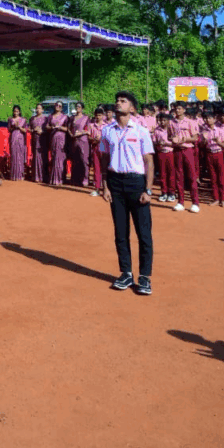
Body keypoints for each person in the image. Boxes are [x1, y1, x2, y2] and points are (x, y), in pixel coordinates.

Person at [99, 91, 154, 295]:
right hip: (115, 183)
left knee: (143, 233)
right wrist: (105, 186)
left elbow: (149, 161)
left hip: (136, 183)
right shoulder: (107, 131)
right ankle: (126, 273)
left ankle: (144, 276)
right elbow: (104, 159)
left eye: (123, 101)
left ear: (132, 108)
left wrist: (148, 189)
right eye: (117, 100)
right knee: (120, 232)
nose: (118, 103)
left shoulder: (141, 131)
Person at [169, 101, 200, 213]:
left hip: (188, 150)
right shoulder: (171, 122)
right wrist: (172, 139)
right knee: (178, 177)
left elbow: (195, 137)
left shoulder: (190, 122)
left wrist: (185, 139)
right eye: (176, 109)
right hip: (177, 151)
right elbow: (169, 136)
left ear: (184, 109)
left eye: (180, 108)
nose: (177, 111)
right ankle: (180, 202)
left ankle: (195, 203)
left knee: (191, 176)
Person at [199, 104, 224, 207]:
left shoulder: (219, 130)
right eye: (205, 118)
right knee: (213, 176)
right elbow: (201, 145)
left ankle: (223, 198)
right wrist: (204, 140)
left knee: (221, 176)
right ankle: (216, 198)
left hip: (219, 153)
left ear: (214, 119)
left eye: (210, 118)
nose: (207, 120)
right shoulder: (204, 131)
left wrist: (218, 142)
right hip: (209, 154)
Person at [152, 111, 176, 204]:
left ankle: (171, 192)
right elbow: (154, 141)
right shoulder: (157, 130)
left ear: (168, 121)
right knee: (162, 174)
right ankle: (164, 192)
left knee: (171, 173)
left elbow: (175, 142)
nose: (162, 122)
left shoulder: (172, 130)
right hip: (161, 153)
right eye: (161, 120)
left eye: (164, 120)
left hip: (170, 153)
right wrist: (158, 143)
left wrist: (166, 143)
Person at [47, 101, 69, 186]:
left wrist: (60, 127)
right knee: (54, 157)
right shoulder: (50, 116)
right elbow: (47, 126)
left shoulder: (65, 117)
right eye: (56, 105)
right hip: (53, 138)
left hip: (62, 138)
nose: (58, 107)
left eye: (60, 106)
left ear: (61, 107)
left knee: (60, 157)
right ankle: (53, 178)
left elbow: (67, 129)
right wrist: (52, 127)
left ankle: (60, 178)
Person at [69, 102, 90, 188]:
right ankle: (75, 179)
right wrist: (71, 134)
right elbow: (69, 128)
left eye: (79, 106)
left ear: (82, 108)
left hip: (83, 140)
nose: (78, 108)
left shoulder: (86, 118)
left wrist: (81, 133)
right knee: (75, 159)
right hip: (74, 140)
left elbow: (89, 130)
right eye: (76, 106)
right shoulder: (72, 118)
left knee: (84, 160)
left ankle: (85, 179)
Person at [87, 106, 106, 195]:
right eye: (97, 115)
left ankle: (106, 188)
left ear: (103, 115)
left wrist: (101, 138)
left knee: (105, 168)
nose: (98, 117)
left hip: (105, 148)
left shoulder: (106, 126)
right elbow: (89, 137)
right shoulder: (91, 125)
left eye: (100, 115)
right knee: (96, 168)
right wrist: (94, 139)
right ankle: (97, 188)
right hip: (95, 147)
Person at [7, 105, 28, 181]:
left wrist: (19, 127)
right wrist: (13, 127)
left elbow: (25, 130)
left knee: (20, 156)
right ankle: (13, 175)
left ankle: (20, 175)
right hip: (13, 137)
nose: (16, 113)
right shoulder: (10, 119)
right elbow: (9, 129)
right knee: (13, 155)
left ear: (19, 112)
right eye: (14, 111)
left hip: (20, 138)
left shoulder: (23, 120)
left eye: (17, 111)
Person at [30, 104, 49, 183]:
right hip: (35, 139)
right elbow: (29, 128)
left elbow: (48, 129)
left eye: (40, 108)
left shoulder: (46, 119)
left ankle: (44, 177)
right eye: (37, 108)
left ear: (42, 110)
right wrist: (33, 130)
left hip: (43, 140)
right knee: (35, 157)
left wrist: (42, 131)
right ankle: (35, 176)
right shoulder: (32, 119)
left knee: (43, 157)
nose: (38, 110)